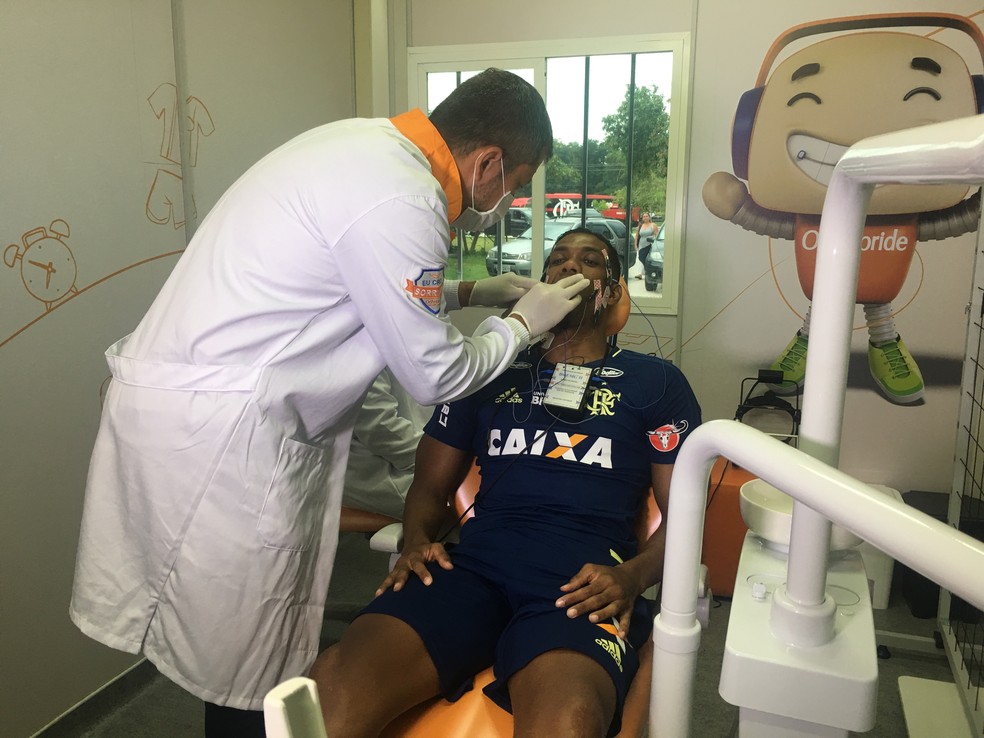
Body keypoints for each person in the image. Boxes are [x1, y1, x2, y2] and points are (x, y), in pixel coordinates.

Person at [69, 67, 592, 735]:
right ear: (487, 161)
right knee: (246, 667)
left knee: (234, 650)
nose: (501, 203)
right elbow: (434, 376)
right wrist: (521, 326)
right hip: (226, 440)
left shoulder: (358, 147)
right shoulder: (405, 198)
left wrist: (468, 293)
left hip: (200, 413)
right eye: (512, 188)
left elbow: (351, 285)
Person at [310, 228, 702, 737]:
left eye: (589, 261)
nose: (568, 267)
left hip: (581, 584)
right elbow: (429, 487)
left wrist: (632, 576)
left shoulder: (656, 383)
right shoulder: (489, 369)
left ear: (613, 290)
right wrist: (416, 541)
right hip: (473, 568)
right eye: (557, 260)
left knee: (570, 720)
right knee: (336, 687)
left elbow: (685, 517)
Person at [343, 367, 431, 520]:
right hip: (383, 469)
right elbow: (378, 426)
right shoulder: (355, 355)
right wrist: (443, 458)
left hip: (427, 449)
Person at [633, 212, 657, 279]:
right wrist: (635, 245)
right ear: (642, 218)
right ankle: (645, 271)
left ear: (649, 217)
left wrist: (654, 243)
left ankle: (643, 273)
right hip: (641, 244)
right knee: (641, 257)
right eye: (644, 216)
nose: (645, 217)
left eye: (646, 216)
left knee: (647, 259)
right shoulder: (640, 226)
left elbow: (656, 235)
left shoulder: (653, 225)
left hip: (650, 244)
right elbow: (637, 236)